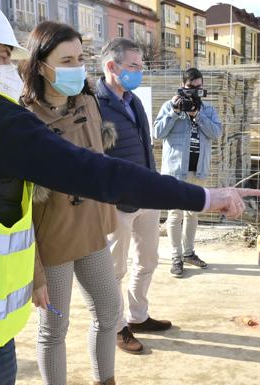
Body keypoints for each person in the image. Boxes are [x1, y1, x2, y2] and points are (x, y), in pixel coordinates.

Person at [0, 1, 259, 384]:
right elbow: (97, 172)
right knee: (56, 327)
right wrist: (204, 198)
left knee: (106, 308)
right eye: (1, 55)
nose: (8, 65)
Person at [19, 22, 119, 385]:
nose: (77, 66)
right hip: (52, 244)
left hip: (92, 232)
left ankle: (104, 379)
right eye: (66, 59)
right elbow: (18, 205)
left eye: (80, 58)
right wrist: (34, 273)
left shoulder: (88, 102)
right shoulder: (21, 117)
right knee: (54, 327)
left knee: (110, 312)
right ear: (41, 64)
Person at [95, 38, 172, 355]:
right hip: (117, 203)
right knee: (114, 269)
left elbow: (145, 146)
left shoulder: (134, 100)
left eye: (141, 66)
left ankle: (137, 316)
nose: (139, 72)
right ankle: (115, 328)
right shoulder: (94, 104)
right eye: (134, 66)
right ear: (112, 66)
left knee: (148, 260)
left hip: (146, 195)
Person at [153, 68, 222, 278]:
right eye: (191, 88)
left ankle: (189, 252)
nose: (194, 92)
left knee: (193, 213)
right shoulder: (170, 106)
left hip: (197, 169)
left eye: (199, 88)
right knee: (175, 215)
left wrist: (197, 115)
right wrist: (175, 113)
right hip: (175, 170)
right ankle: (176, 257)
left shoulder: (207, 110)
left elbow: (217, 133)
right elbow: (157, 133)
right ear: (183, 86)